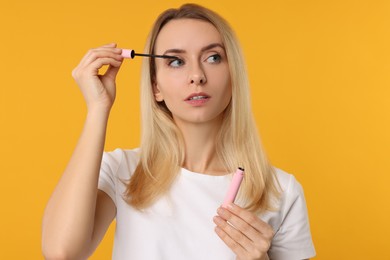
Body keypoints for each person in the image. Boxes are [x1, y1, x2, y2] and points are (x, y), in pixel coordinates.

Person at [42, 3, 316, 260]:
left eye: (213, 57)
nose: (196, 75)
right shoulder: (123, 172)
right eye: (175, 61)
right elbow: (61, 252)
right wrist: (98, 108)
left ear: (234, 76)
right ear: (155, 87)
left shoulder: (281, 192)